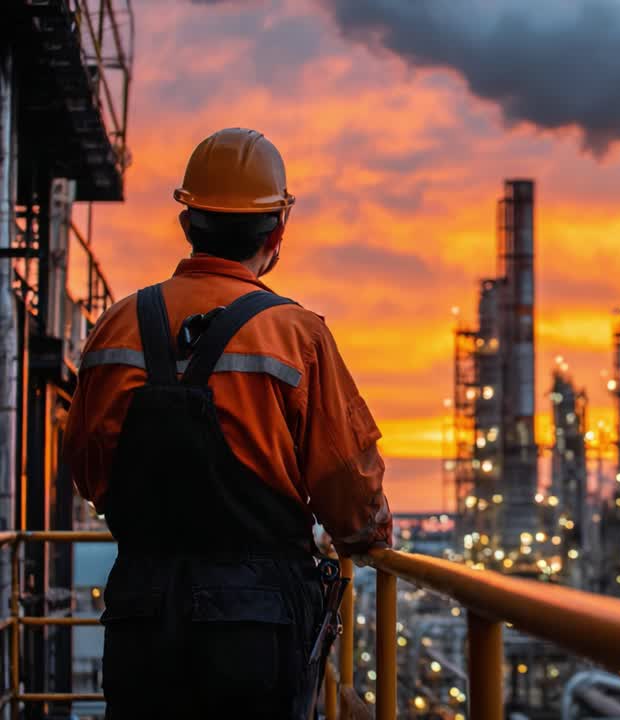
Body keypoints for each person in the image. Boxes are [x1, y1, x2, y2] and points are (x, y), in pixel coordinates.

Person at [62, 128, 392, 718]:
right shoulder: (297, 337)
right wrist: (367, 536)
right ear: (277, 232)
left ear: (188, 225)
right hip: (255, 628)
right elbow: (348, 483)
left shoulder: (116, 327)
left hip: (143, 615)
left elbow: (88, 472)